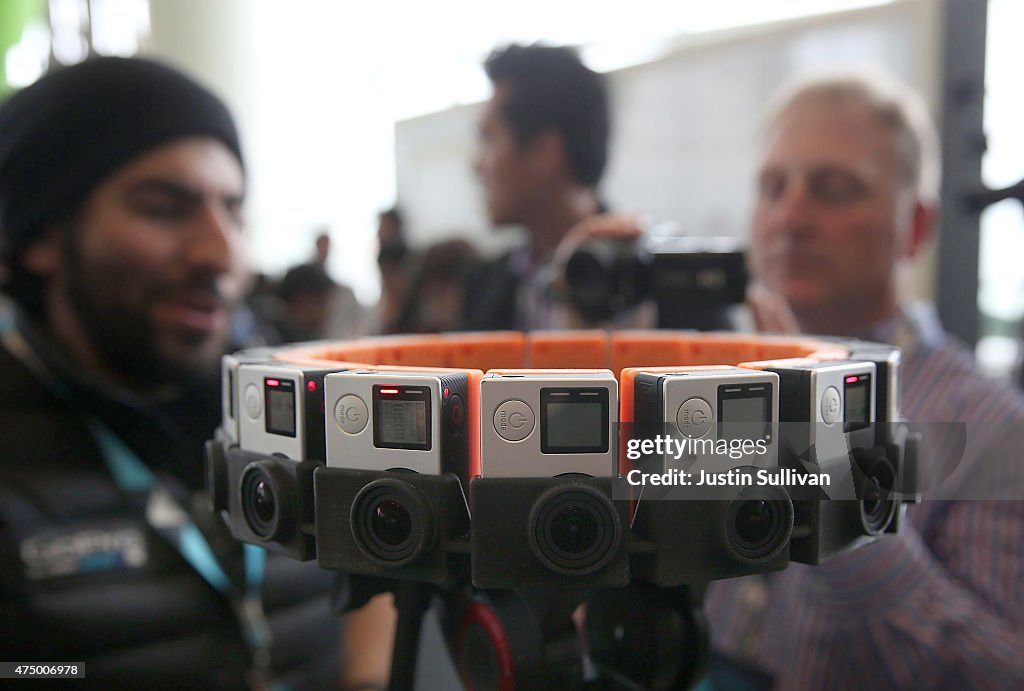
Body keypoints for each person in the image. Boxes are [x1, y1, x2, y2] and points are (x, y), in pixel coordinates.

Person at [0, 57, 341, 688]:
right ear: (41, 236)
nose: (222, 254)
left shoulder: (298, 410)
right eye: (164, 208)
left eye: (233, 212)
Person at [704, 72, 1024, 688]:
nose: (789, 217)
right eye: (772, 187)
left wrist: (833, 481)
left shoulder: (993, 430)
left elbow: (999, 672)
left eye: (833, 189)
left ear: (916, 226)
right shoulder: (722, 380)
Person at [461, 43, 644, 331]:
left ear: (543, 152)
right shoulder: (483, 284)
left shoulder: (653, 278)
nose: (475, 165)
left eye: (489, 138)